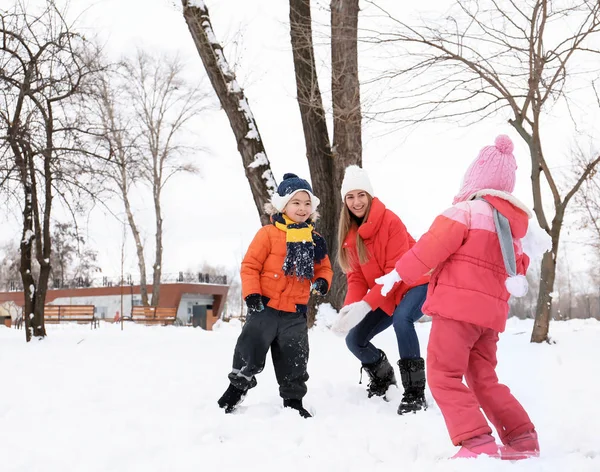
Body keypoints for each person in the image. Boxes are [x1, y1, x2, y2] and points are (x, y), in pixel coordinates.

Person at [376, 135, 540, 459]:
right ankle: (521, 438)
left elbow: (430, 247)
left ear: (474, 179)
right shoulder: (509, 227)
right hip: (488, 320)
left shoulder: (465, 211)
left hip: (456, 313)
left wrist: (399, 272)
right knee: (483, 378)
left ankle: (476, 441)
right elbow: (517, 268)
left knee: (443, 374)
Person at [218, 173, 333, 418]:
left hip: (295, 312)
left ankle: (293, 400)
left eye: (306, 203)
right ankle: (237, 388)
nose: (302, 208)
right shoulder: (268, 234)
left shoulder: (315, 239)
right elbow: (250, 265)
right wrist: (252, 294)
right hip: (265, 308)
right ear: (283, 205)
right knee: (250, 349)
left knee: (295, 359)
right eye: (296, 202)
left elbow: (324, 267)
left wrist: (323, 281)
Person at [332, 165, 430, 415]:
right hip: (386, 292)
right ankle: (384, 379)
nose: (356, 202)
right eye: (350, 197)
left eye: (361, 195)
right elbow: (355, 278)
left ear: (370, 195)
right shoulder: (349, 235)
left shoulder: (390, 221)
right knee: (355, 340)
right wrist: (350, 308)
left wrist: (365, 305)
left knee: (402, 319)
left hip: (414, 283)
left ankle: (414, 392)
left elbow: (395, 274)